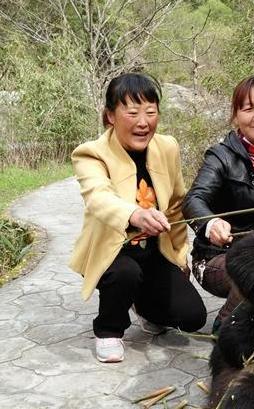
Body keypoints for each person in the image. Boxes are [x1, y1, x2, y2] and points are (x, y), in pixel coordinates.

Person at [70, 73, 206, 363]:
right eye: (132, 113)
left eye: (151, 112)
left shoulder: (167, 147)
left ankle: (141, 304)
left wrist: (180, 254)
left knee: (192, 317)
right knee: (125, 274)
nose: (143, 122)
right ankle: (108, 330)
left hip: (154, 251)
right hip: (112, 251)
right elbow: (98, 197)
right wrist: (135, 214)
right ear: (110, 116)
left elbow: (176, 206)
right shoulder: (91, 154)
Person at [182, 75, 254, 335]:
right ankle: (224, 330)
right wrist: (210, 223)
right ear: (235, 116)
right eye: (248, 109)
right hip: (215, 260)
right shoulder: (221, 156)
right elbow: (193, 199)